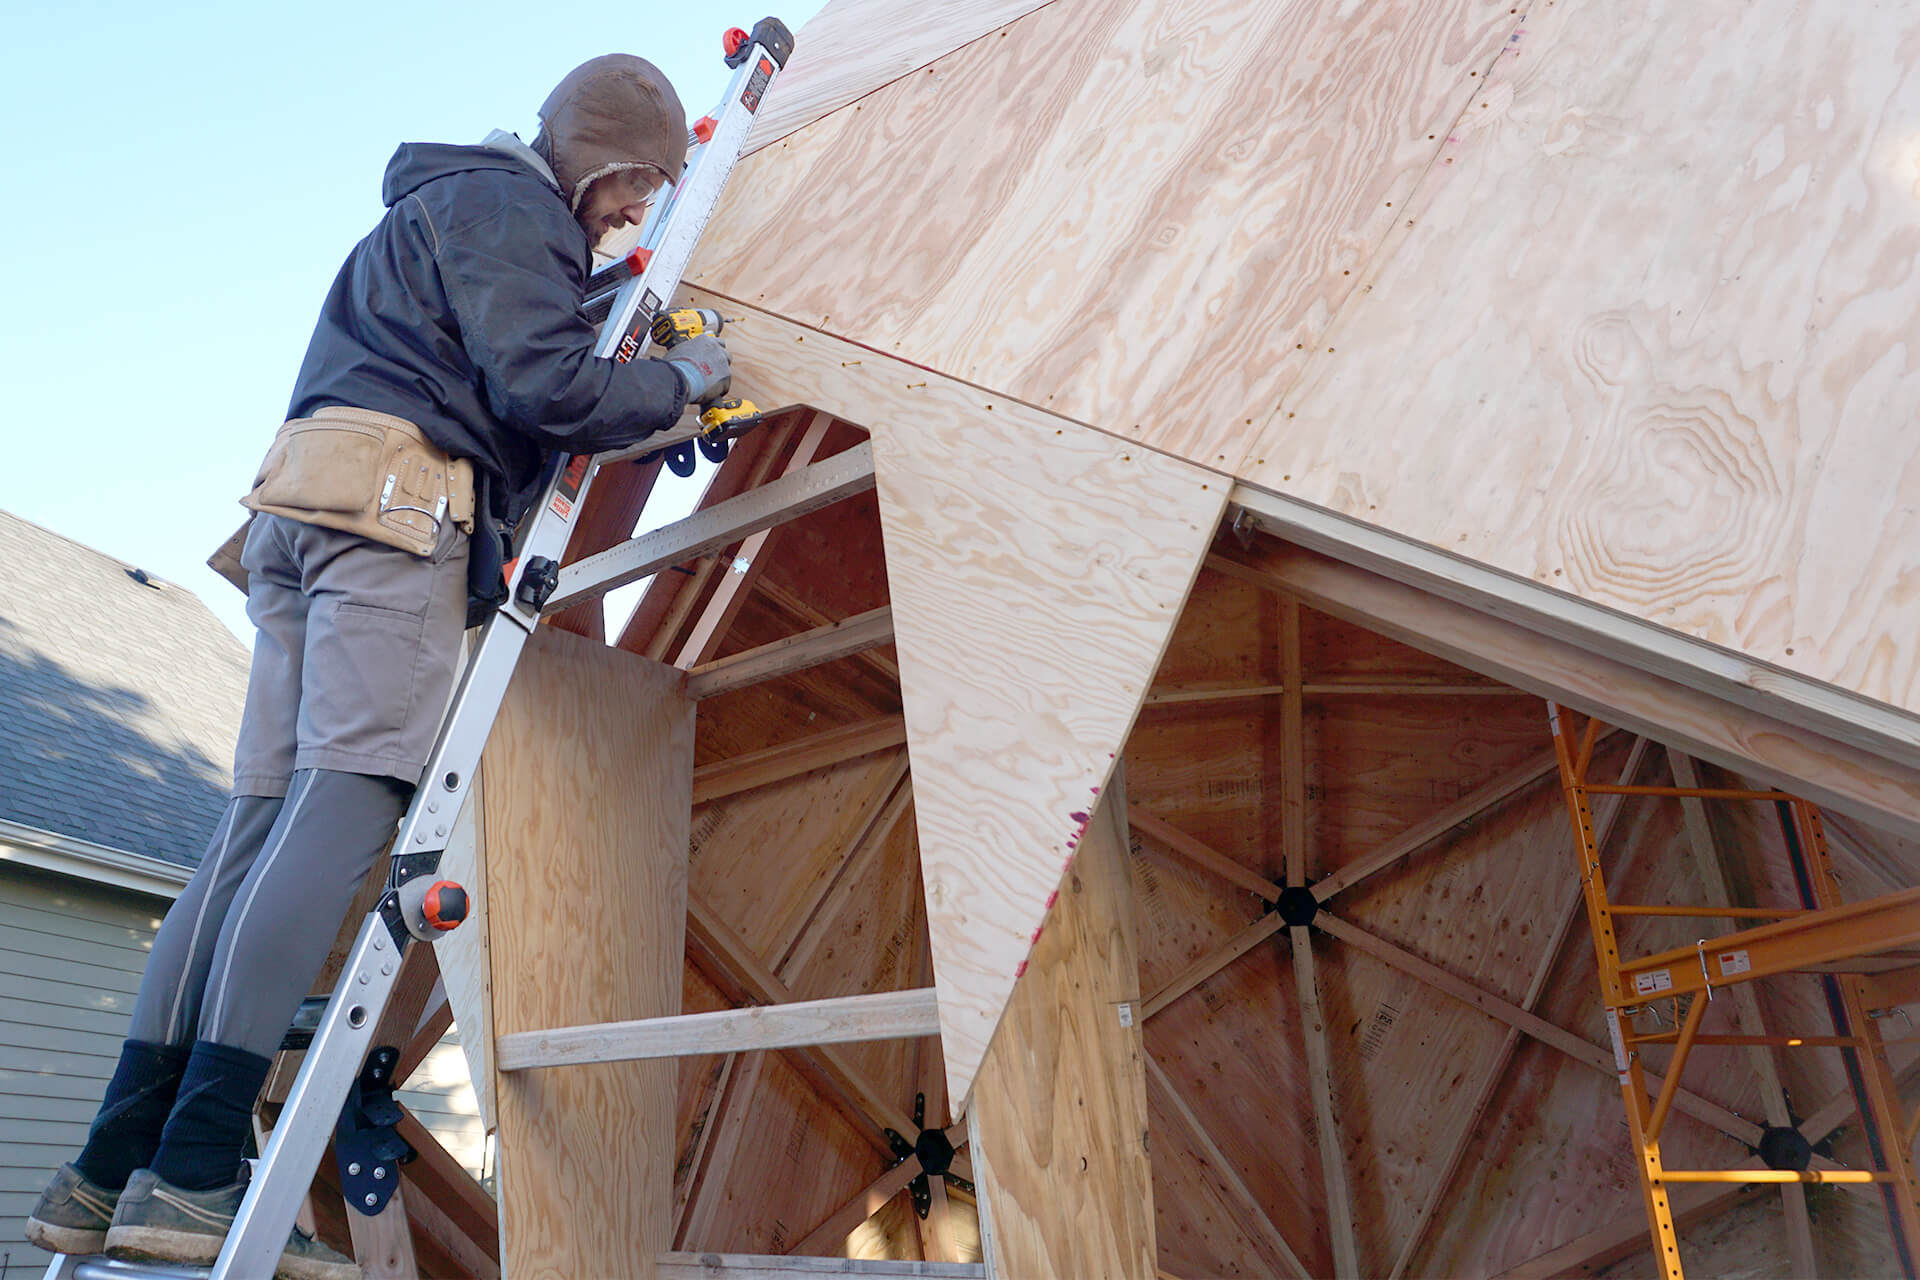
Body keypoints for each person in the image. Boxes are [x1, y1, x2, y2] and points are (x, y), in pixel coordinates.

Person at [26, 53, 730, 1278]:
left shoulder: (433, 214)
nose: (636, 216)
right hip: (393, 518)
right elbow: (547, 386)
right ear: (601, 158)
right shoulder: (514, 208)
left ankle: (107, 1167)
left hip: (302, 513)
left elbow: (499, 374)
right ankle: (197, 1170)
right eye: (637, 189)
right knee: (347, 810)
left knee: (253, 829)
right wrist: (681, 383)